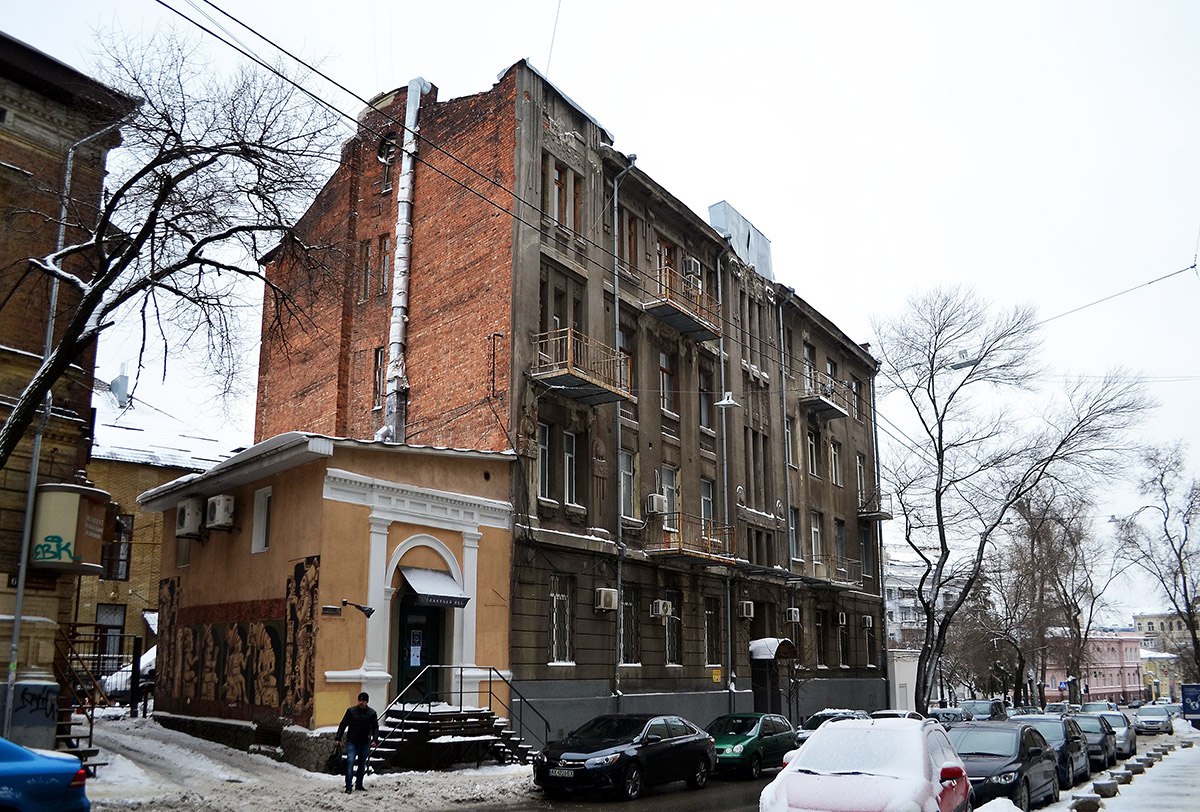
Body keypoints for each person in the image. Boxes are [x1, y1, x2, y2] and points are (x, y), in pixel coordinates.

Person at [335, 692, 379, 793]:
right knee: (350, 762)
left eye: (363, 700)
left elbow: (375, 727)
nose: (361, 702)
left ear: (367, 701)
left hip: (364, 742)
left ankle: (359, 784)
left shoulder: (372, 713)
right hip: (352, 741)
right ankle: (348, 786)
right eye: (359, 700)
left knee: (362, 764)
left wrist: (375, 739)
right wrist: (338, 738)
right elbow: (343, 724)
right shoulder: (351, 712)